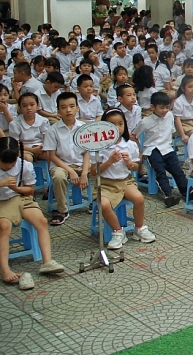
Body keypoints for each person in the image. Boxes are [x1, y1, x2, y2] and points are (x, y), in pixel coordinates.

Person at [0, 137, 66, 290]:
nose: (9, 166)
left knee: (41, 221)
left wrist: (16, 189)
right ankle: (5, 269)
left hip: (21, 197)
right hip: (2, 201)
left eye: (12, 162)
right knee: (4, 226)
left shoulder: (25, 165)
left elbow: (29, 190)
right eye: (5, 164)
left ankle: (47, 261)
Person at [95, 109, 156, 249]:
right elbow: (93, 172)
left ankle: (139, 228)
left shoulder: (130, 145)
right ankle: (118, 231)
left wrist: (129, 163)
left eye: (120, 124)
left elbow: (135, 167)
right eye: (112, 124)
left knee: (139, 198)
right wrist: (109, 161)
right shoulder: (100, 147)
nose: (117, 128)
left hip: (125, 181)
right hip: (105, 183)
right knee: (103, 204)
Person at [130, 92, 189, 207]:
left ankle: (187, 192)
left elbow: (171, 132)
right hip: (151, 149)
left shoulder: (170, 116)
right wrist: (140, 151)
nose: (165, 110)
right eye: (161, 108)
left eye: (167, 107)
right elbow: (134, 135)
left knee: (177, 170)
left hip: (167, 148)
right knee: (160, 171)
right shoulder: (145, 121)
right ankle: (168, 195)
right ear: (153, 107)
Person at [43, 92, 89, 226]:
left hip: (81, 162)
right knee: (58, 176)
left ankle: (96, 201)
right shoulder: (53, 130)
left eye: (71, 106)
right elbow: (52, 156)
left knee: (101, 168)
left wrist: (85, 173)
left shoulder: (83, 128)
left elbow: (87, 153)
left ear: (77, 108)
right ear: (58, 111)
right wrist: (70, 171)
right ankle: (62, 210)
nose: (68, 110)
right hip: (61, 164)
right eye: (63, 107)